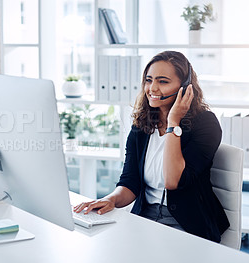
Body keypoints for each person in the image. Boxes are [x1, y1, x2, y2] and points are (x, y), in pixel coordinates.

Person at [73, 50, 229, 242]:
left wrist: (174, 123)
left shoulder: (206, 124)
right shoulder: (142, 125)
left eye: (163, 81)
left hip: (187, 224)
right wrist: (110, 199)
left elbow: (173, 181)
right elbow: (130, 182)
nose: (152, 88)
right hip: (144, 217)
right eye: (149, 80)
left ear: (185, 87)